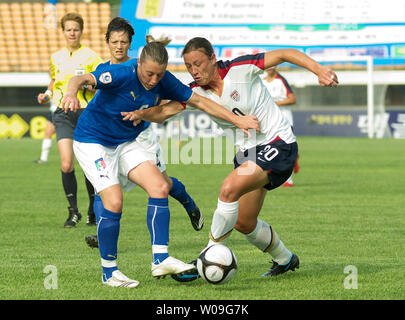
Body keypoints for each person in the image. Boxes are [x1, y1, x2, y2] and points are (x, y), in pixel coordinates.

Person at [123, 37, 338, 280]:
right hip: (249, 156)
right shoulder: (196, 92)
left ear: (213, 59)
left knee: (228, 189)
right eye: (189, 66)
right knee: (245, 222)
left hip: (278, 144)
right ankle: (286, 259)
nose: (194, 71)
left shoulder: (240, 69)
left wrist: (319, 70)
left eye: (198, 63)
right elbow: (163, 112)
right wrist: (140, 114)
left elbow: (285, 53)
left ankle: (206, 255)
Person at [61, 36, 259, 288]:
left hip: (126, 142)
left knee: (160, 187)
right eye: (150, 74)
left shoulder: (164, 80)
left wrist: (237, 120)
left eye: (159, 75)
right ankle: (109, 272)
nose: (154, 81)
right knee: (114, 201)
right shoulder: (121, 72)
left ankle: (160, 259)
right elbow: (80, 79)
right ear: (139, 63)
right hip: (93, 142)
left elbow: (199, 101)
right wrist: (70, 93)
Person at [84, 17, 204, 250]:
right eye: (114, 41)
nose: (119, 46)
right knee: (103, 185)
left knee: (164, 184)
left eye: (123, 42)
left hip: (141, 138)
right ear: (107, 42)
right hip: (110, 139)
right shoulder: (101, 70)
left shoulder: (141, 68)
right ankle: (103, 234)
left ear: (130, 44)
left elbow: (163, 91)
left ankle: (189, 204)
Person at [37, 13, 103, 228]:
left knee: (88, 165)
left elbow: (101, 83)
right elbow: (54, 83)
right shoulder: (56, 57)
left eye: (75, 29)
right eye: (68, 29)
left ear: (81, 31)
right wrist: (46, 95)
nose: (72, 32)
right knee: (66, 164)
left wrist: (87, 85)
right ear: (63, 31)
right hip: (63, 112)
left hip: (86, 113)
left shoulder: (92, 56)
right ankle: (73, 211)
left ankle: (93, 208)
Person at [261, 67, 299, 187]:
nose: (270, 69)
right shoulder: (262, 80)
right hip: (269, 120)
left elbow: (292, 99)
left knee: (283, 149)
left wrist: (275, 103)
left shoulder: (281, 80)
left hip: (285, 119)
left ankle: (288, 180)